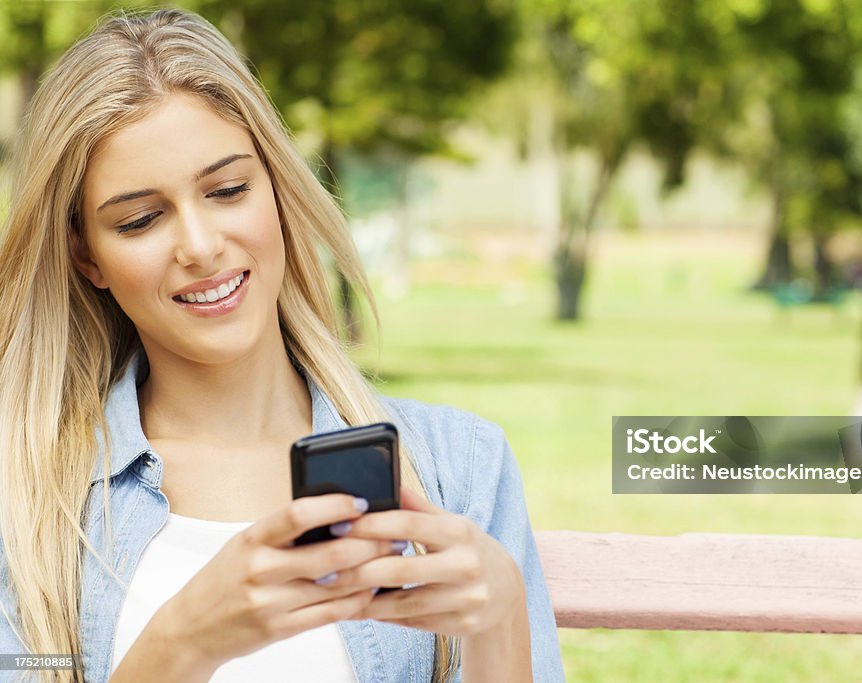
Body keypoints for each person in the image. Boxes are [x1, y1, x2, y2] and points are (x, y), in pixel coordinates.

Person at [0, 8, 563, 683]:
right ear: (86, 256)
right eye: (141, 219)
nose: (202, 246)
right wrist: (181, 643)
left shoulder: (460, 467)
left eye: (229, 189)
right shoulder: (28, 498)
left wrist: (502, 618)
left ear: (276, 192)